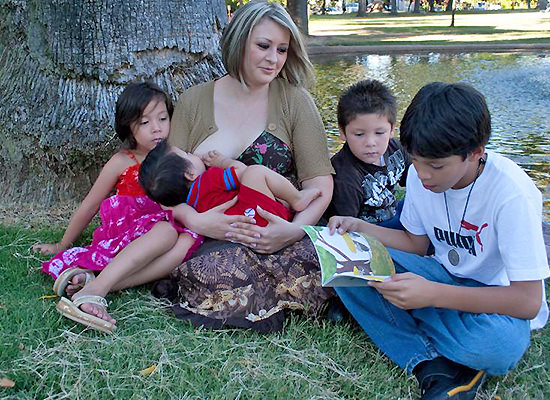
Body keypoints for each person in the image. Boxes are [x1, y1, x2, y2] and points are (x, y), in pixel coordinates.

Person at [328, 82, 550, 399]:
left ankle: (409, 332)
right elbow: (415, 244)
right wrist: (361, 227)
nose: (422, 175)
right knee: (349, 266)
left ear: (475, 153)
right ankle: (433, 364)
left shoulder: (511, 193)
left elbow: (527, 302)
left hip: (496, 299)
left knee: (498, 347)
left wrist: (431, 295)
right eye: (415, 161)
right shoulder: (422, 174)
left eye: (436, 166)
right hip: (441, 274)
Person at [154, 0, 335, 333]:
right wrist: (196, 219)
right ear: (239, 42)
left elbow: (320, 186)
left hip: (283, 226)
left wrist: (292, 231)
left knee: (318, 259)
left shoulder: (296, 101)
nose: (273, 59)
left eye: (282, 49)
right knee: (215, 270)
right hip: (212, 234)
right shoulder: (194, 101)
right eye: (263, 46)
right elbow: (169, 184)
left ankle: (276, 292)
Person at [33, 82, 201, 333]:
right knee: (166, 232)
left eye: (163, 119)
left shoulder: (176, 157)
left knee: (184, 244)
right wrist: (63, 243)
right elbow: (90, 204)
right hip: (130, 232)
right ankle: (97, 289)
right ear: (128, 127)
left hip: (170, 230)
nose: (156, 129)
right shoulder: (122, 161)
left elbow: (200, 182)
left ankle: (95, 283)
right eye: (144, 123)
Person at [139, 140, 321, 226]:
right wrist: (223, 162)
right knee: (254, 173)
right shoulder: (207, 181)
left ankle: (285, 204)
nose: (192, 154)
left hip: (251, 224)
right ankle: (297, 199)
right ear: (190, 174)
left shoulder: (191, 204)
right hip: (260, 214)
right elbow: (240, 172)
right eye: (187, 154)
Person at [327, 79, 410, 229]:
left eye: (379, 133)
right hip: (369, 232)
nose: (370, 142)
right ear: (342, 132)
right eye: (359, 134)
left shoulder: (397, 149)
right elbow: (345, 227)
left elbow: (418, 183)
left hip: (395, 214)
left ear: (392, 129)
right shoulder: (344, 176)